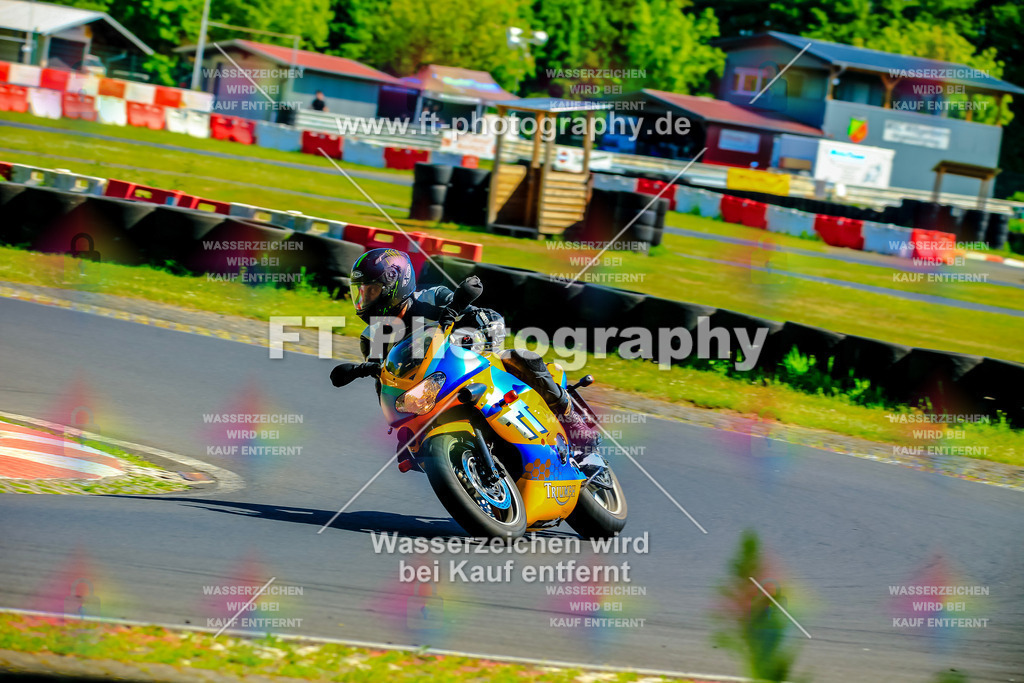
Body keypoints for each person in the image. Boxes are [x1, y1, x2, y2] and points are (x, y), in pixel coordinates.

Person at [329, 248, 600, 457]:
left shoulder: (432, 297)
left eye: (372, 291)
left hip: (468, 363)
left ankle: (570, 418)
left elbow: (473, 313)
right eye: (361, 293)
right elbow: (384, 384)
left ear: (395, 284)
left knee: (517, 357)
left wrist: (484, 321)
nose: (364, 300)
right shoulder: (373, 337)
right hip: (429, 392)